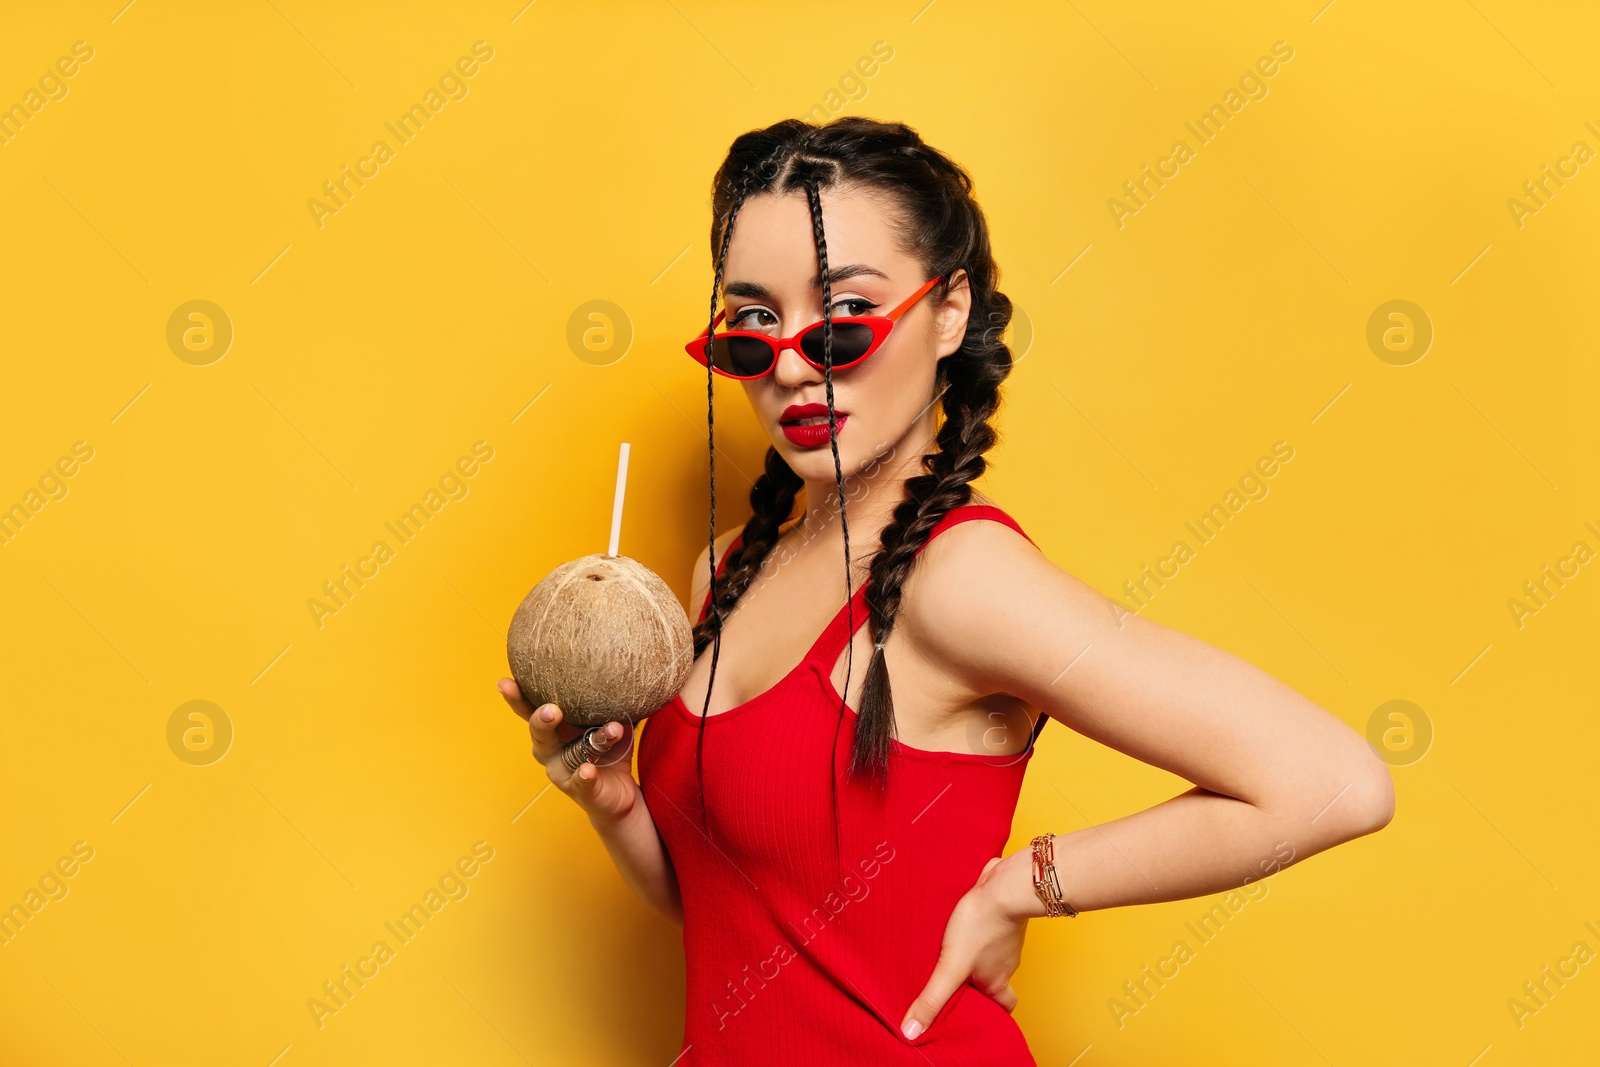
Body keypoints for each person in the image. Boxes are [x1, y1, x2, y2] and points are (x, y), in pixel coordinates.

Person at [498, 116, 1394, 1064]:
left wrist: (1024, 885)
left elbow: (1334, 784)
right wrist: (612, 802)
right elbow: (731, 910)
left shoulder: (960, 576)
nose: (794, 365)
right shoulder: (727, 568)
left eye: (842, 321)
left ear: (951, 310)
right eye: (753, 329)